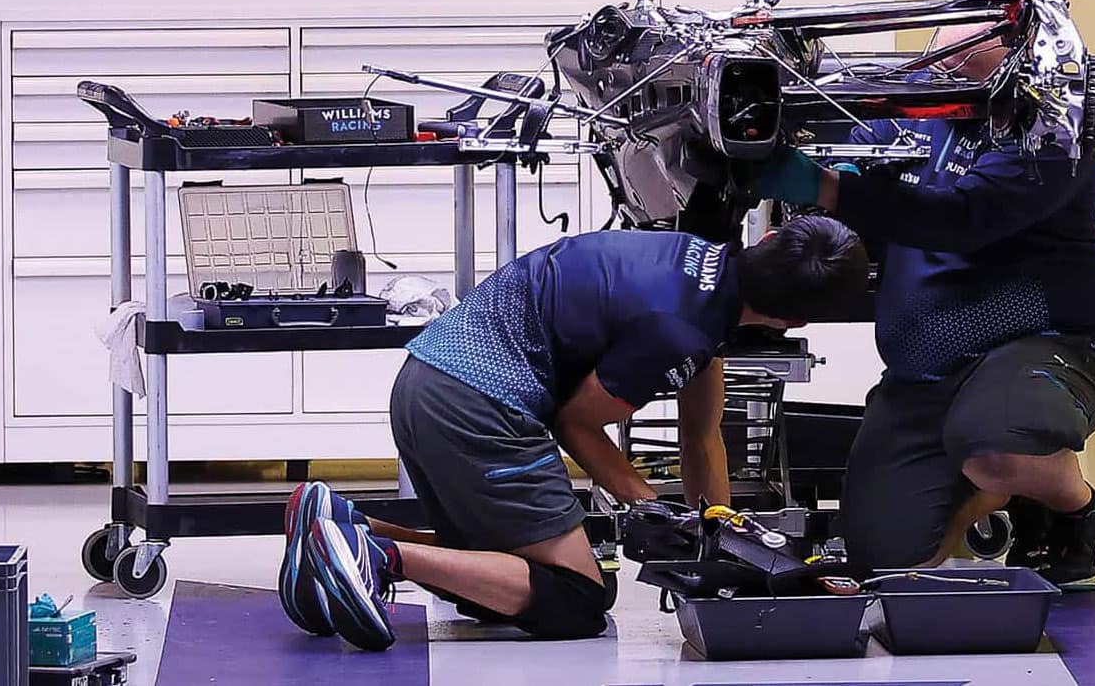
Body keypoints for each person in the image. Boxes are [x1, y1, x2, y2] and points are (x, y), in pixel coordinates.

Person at [280, 217, 871, 649]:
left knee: (494, 581)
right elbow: (578, 423)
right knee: (576, 598)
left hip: (426, 379)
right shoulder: (678, 330)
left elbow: (702, 435)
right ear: (793, 321)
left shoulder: (696, 261)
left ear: (769, 238)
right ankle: (376, 558)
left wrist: (720, 536)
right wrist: (652, 507)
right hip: (481, 406)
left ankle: (343, 527)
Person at [752, 0, 1095, 589]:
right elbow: (856, 155)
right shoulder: (918, 95)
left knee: (996, 441)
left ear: (1015, 69)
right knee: (883, 561)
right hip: (923, 373)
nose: (946, 83)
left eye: (963, 75)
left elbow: (962, 217)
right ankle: (994, 485)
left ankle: (1071, 511)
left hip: (1047, 344)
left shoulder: (1055, 129)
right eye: (943, 65)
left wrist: (827, 187)